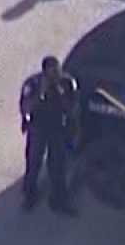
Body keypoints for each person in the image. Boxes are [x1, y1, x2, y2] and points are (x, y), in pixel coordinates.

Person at [18, 56, 80, 213]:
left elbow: (72, 108)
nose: (55, 76)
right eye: (52, 73)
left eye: (57, 72)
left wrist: (61, 94)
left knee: (58, 166)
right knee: (33, 164)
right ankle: (30, 194)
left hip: (59, 129)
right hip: (38, 129)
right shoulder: (33, 84)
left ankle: (59, 200)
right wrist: (41, 94)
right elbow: (26, 107)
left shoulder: (67, 83)